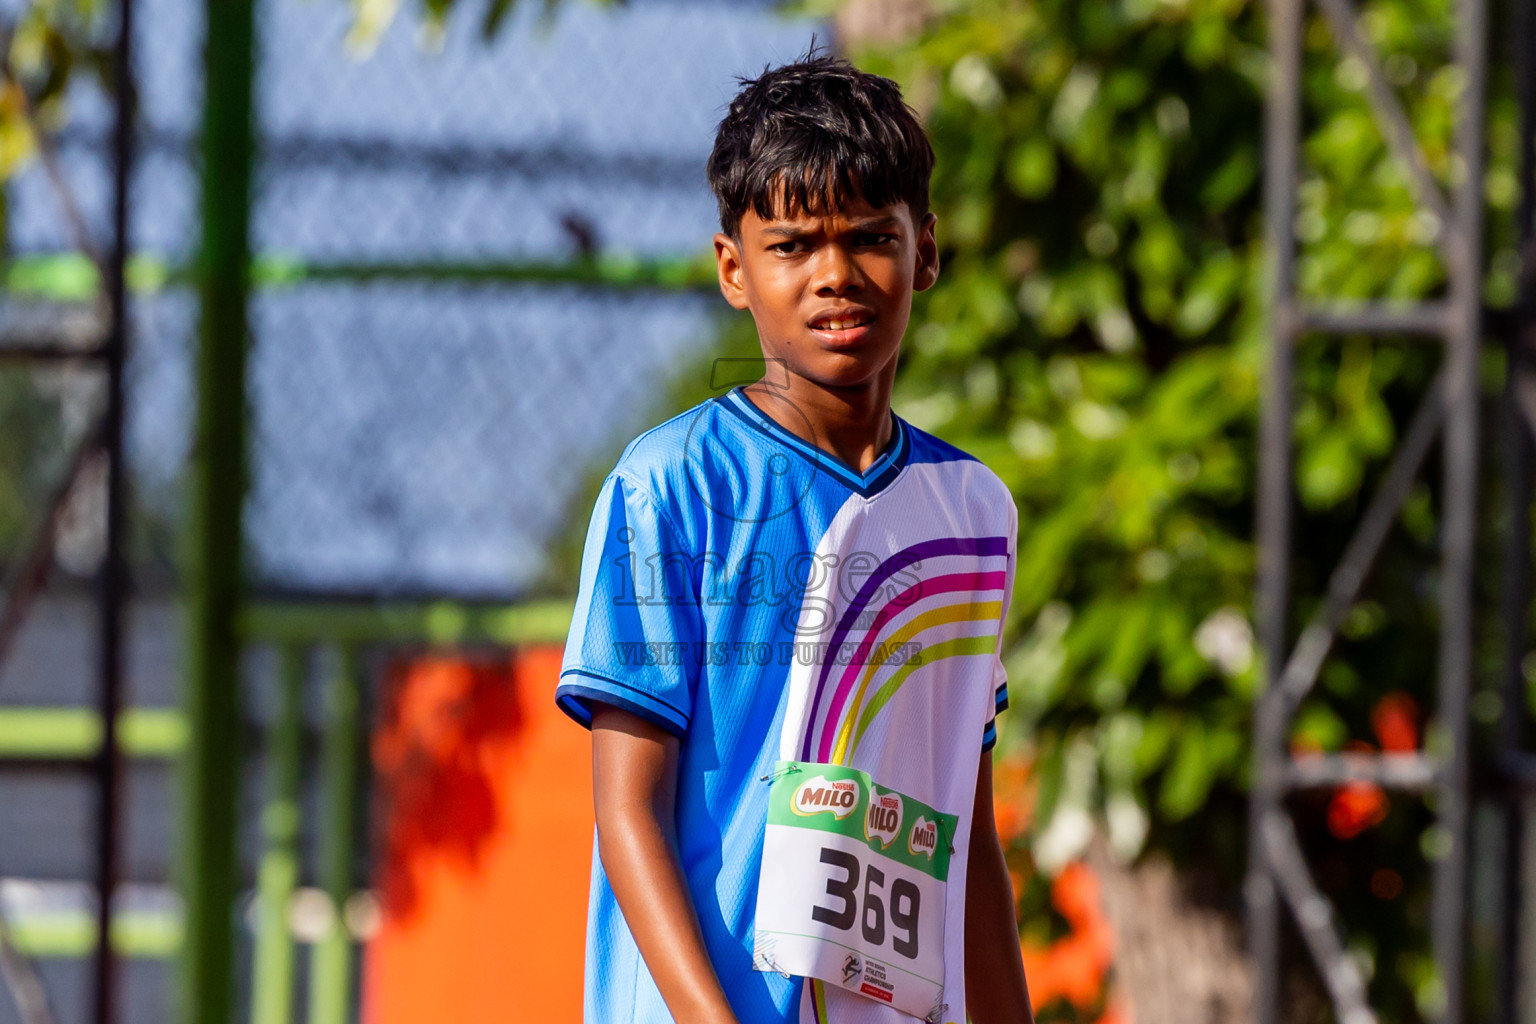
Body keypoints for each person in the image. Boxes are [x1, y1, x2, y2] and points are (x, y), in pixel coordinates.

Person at [556, 52, 1034, 1024]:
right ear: (734, 267)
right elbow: (627, 811)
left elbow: (964, 825)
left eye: (870, 237)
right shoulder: (671, 489)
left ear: (926, 252)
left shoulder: (972, 512)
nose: (836, 275)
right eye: (793, 245)